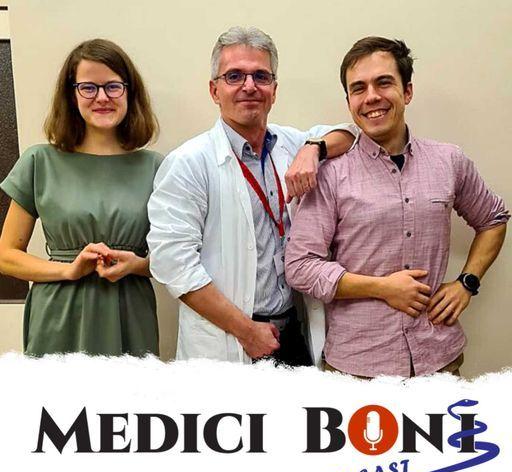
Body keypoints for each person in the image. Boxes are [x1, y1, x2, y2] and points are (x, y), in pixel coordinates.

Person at [285, 37, 509, 377]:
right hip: (358, 370)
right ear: (349, 103)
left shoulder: (449, 161)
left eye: (384, 82)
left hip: (439, 360)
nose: (371, 96)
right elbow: (300, 266)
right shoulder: (330, 174)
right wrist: (382, 288)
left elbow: (493, 219)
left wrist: (467, 283)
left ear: (407, 91)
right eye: (358, 88)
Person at [148, 26, 358, 366]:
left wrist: (314, 148)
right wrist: (245, 330)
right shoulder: (188, 163)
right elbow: (173, 264)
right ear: (214, 90)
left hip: (291, 333)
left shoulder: (291, 143)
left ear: (274, 90)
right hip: (231, 339)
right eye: (234, 76)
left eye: (261, 76)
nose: (249, 86)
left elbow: (350, 134)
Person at [0, 39, 162, 356]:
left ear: (130, 92)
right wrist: (68, 270)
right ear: (71, 95)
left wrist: (138, 265)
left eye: (113, 86)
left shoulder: (156, 168)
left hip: (129, 313)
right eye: (88, 87)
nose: (102, 97)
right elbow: (6, 256)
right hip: (59, 316)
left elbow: (177, 259)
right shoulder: (39, 162)